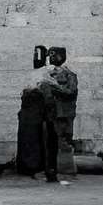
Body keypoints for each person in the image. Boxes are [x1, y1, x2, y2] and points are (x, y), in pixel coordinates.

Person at [42, 47, 79, 183]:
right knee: (51, 144)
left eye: (54, 55)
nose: (51, 57)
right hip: (51, 114)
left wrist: (54, 86)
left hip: (64, 114)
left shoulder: (70, 75)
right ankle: (52, 171)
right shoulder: (49, 74)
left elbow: (70, 91)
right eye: (50, 55)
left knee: (64, 141)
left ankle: (66, 171)